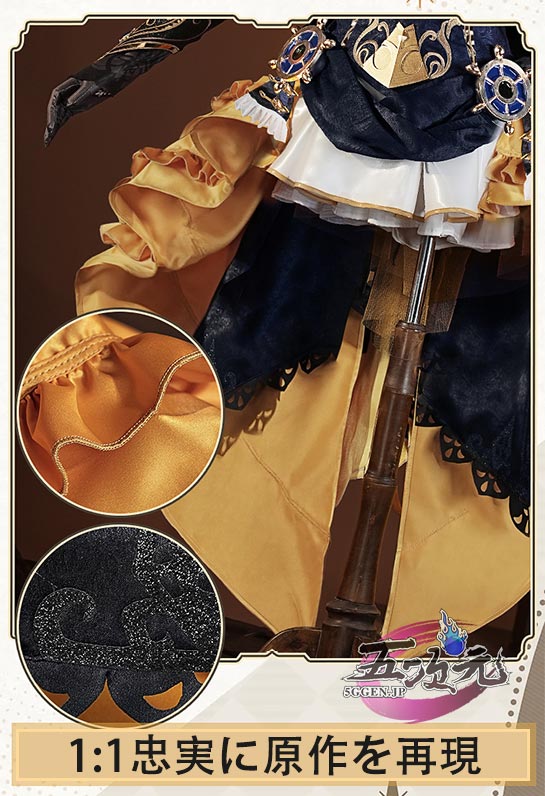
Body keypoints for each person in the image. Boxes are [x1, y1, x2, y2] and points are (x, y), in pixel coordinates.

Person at [43, 17, 531, 647]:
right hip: (341, 97)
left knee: (470, 361)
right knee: (289, 318)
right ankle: (314, 599)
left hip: (483, 119)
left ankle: (401, 612)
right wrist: (130, 55)